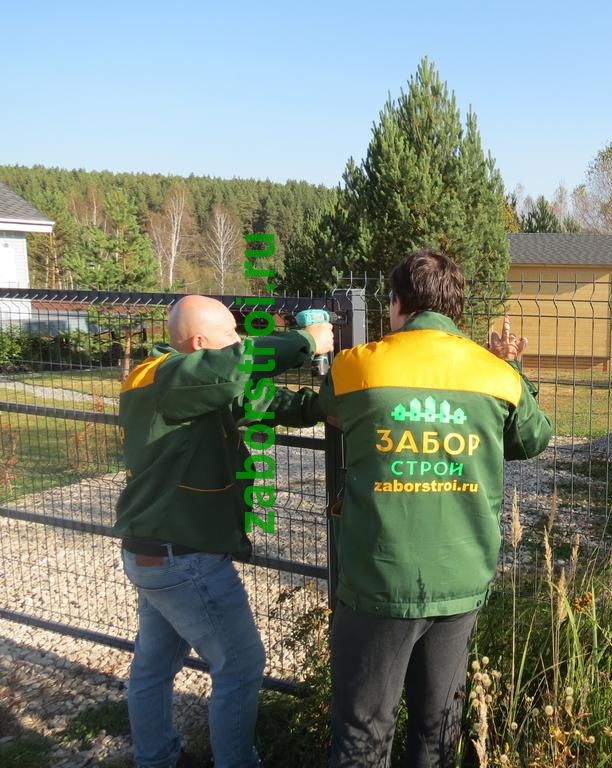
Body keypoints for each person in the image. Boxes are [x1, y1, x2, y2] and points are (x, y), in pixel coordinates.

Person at [319, 249, 553, 767]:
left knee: (363, 732)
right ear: (456, 308)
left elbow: (331, 408)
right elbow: (533, 438)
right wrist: (511, 367)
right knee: (438, 730)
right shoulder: (496, 375)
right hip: (459, 579)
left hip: (379, 581)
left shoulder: (357, 366)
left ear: (397, 302)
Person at [115, 295, 334, 768]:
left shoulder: (192, 385)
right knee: (240, 665)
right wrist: (306, 341)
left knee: (154, 665)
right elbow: (240, 364)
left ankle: (156, 759)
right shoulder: (166, 377)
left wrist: (321, 405)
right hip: (183, 558)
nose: (239, 340)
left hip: (155, 553)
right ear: (199, 343)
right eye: (230, 335)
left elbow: (256, 398)